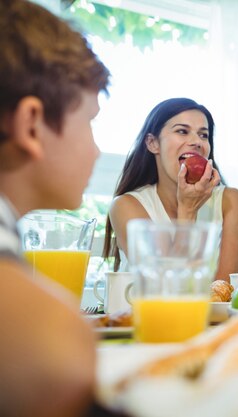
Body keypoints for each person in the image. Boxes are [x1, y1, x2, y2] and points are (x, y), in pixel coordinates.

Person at [0, 1, 111, 416]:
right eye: (90, 121)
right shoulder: (44, 336)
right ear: (32, 125)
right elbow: (58, 355)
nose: (98, 149)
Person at [103, 98, 238, 281]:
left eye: (203, 135)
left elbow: (221, 291)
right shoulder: (126, 206)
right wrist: (187, 210)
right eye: (182, 131)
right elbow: (164, 287)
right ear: (153, 143)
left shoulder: (230, 201)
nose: (196, 141)